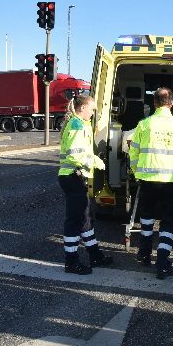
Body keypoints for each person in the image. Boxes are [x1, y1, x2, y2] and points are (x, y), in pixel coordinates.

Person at [128, 87, 173, 280]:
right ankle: (162, 262)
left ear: (154, 103)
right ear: (172, 103)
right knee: (168, 220)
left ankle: (144, 254)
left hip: (148, 179)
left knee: (147, 217)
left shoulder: (143, 125)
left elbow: (133, 153)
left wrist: (137, 172)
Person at [58, 95, 113, 275]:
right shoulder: (76, 125)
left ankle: (95, 255)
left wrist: (94, 159)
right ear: (82, 108)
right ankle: (71, 262)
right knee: (74, 221)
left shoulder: (80, 124)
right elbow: (75, 154)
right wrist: (93, 161)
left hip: (76, 177)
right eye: (91, 109)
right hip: (72, 176)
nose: (92, 112)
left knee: (85, 219)